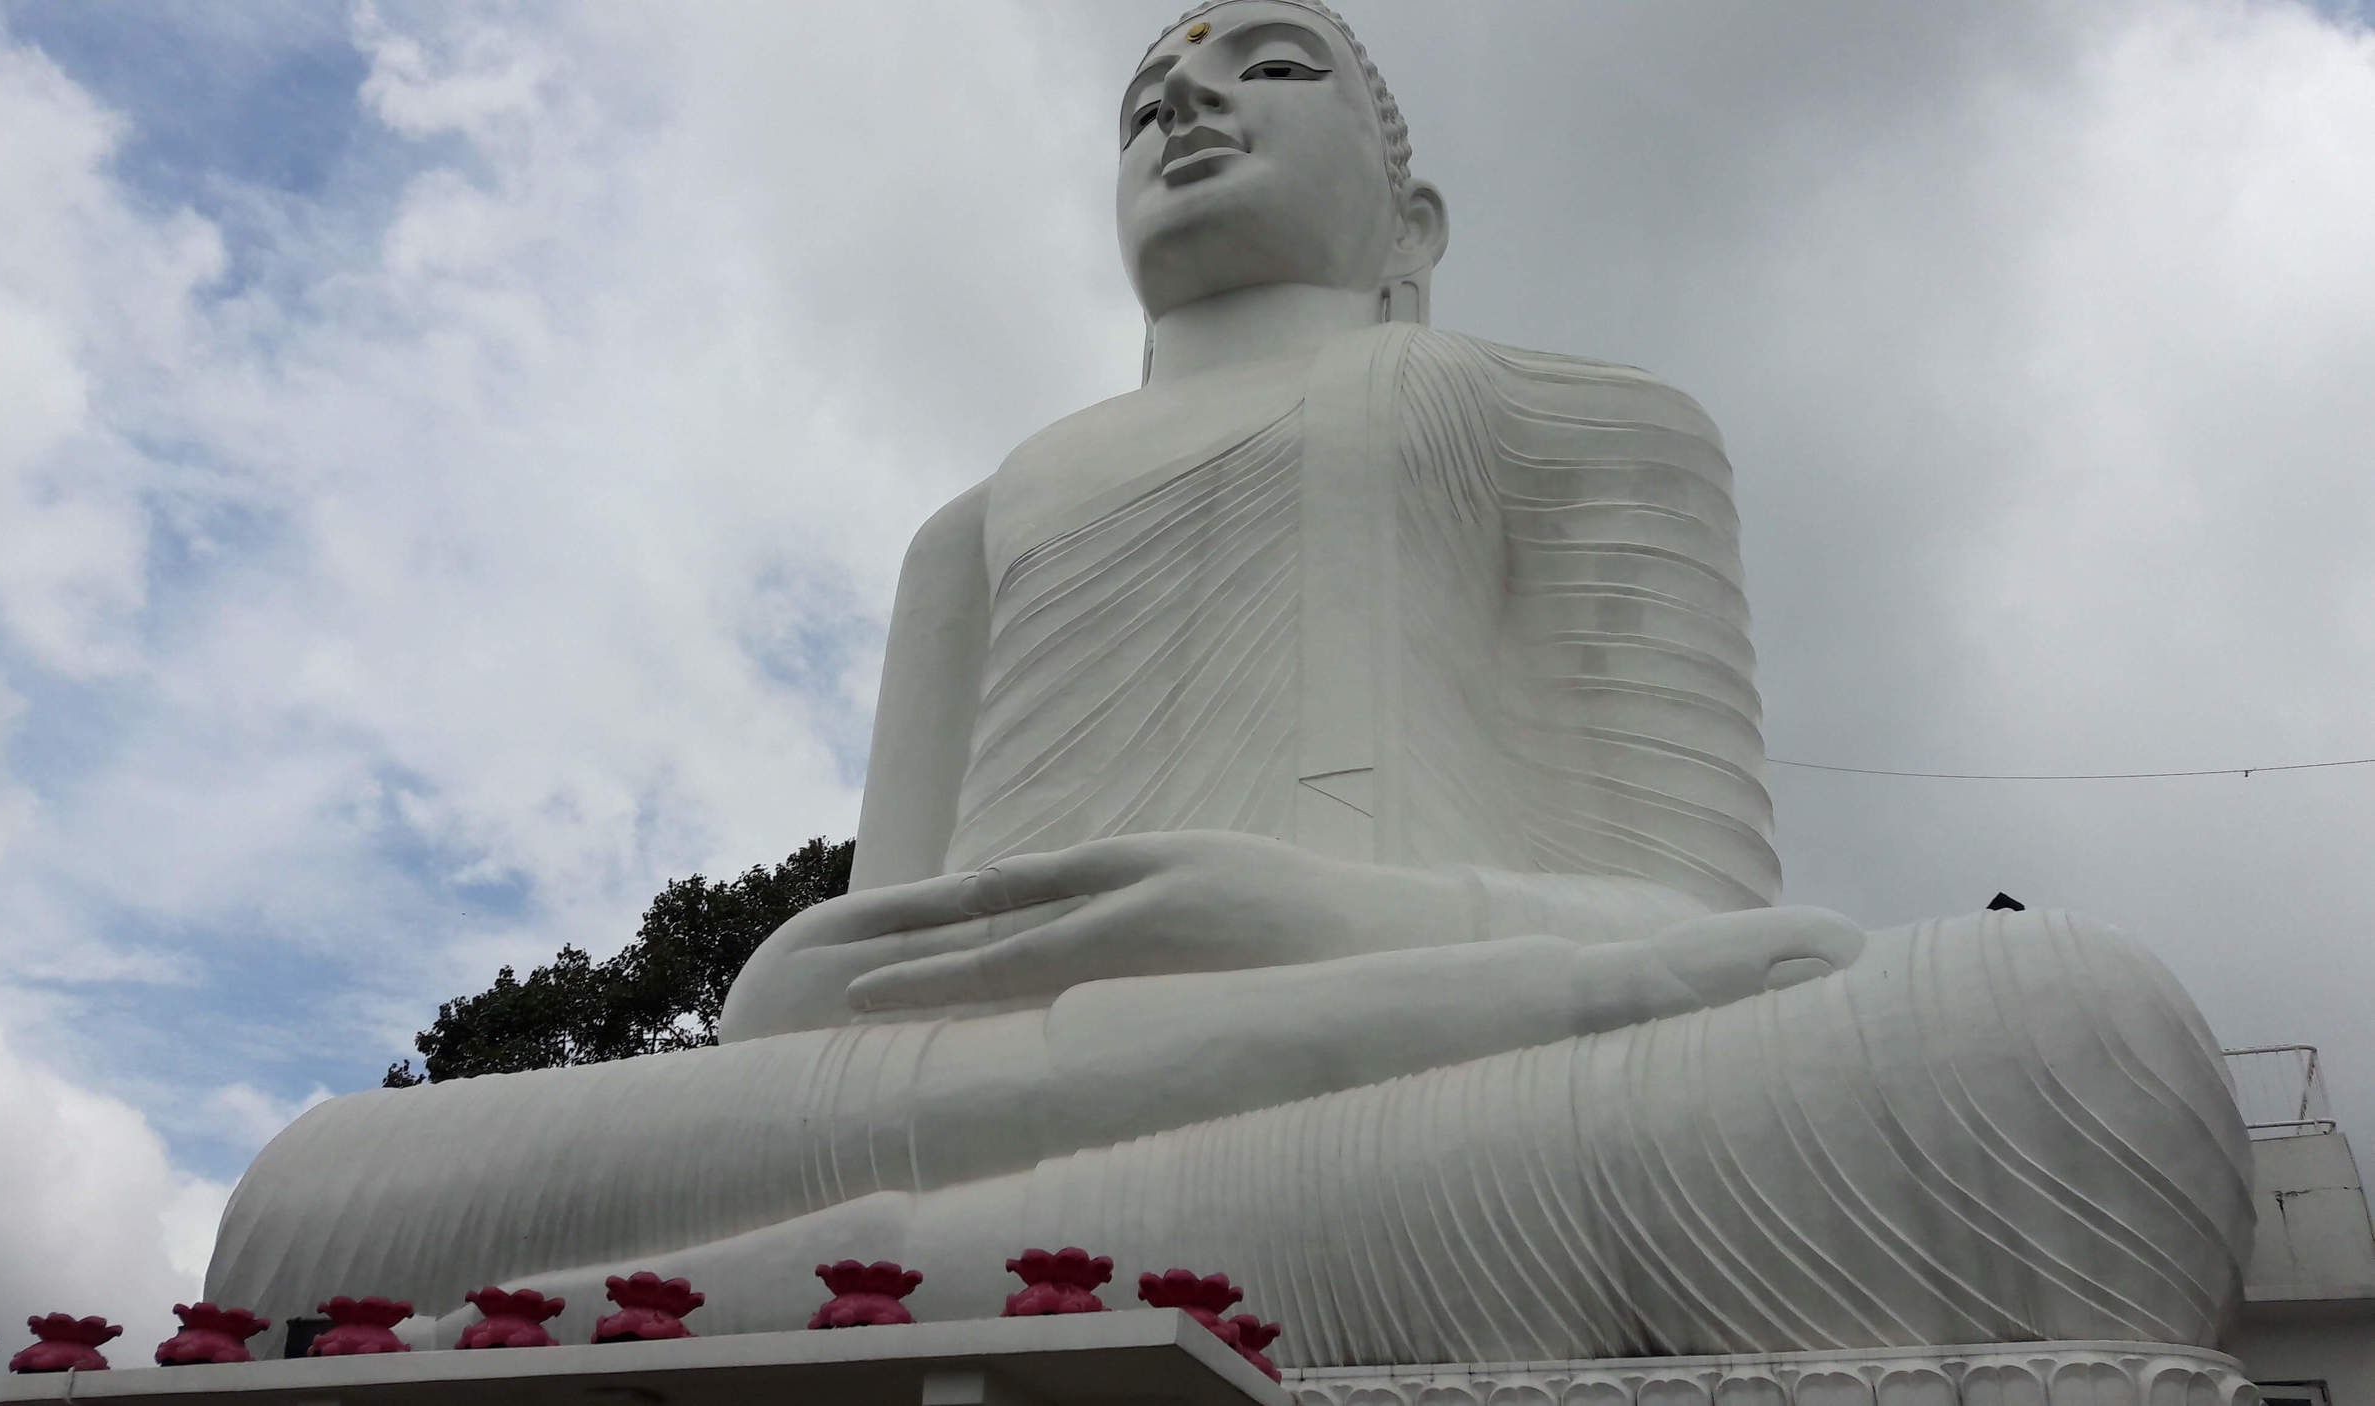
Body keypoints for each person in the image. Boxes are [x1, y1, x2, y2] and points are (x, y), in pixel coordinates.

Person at [209, 1, 2250, 1366]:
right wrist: (821, 979)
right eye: (1144, 94)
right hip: (957, 1101)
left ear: (1410, 209)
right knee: (309, 1192)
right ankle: (891, 1273)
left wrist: (1292, 923)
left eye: (1263, 68)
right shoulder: (977, 520)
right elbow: (841, 994)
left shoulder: (1575, 417)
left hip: (1417, 1047)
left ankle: (754, 1302)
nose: (1183, 99)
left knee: (2057, 1037)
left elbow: (1704, 938)